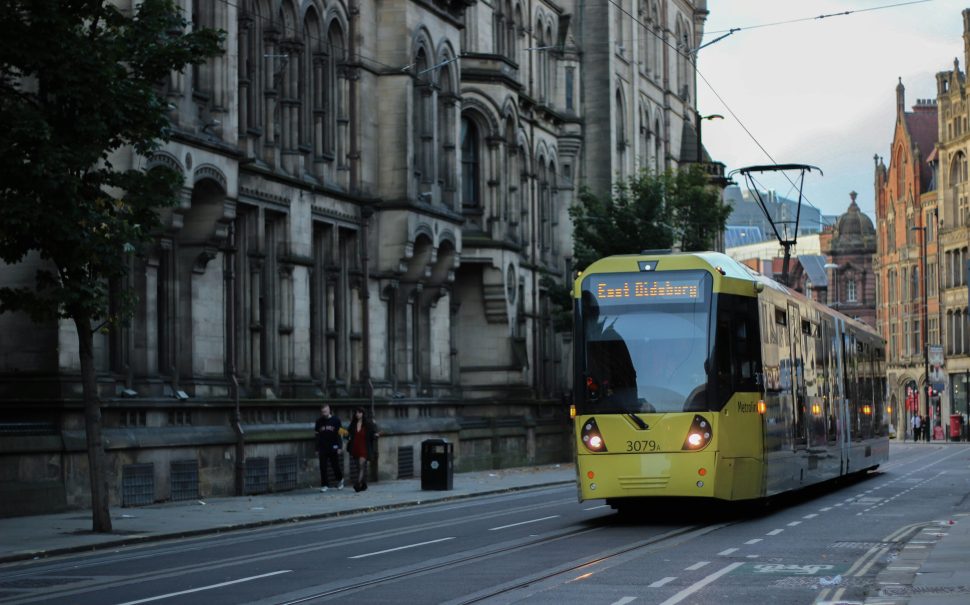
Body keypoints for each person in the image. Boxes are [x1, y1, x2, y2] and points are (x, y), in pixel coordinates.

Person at [346, 407, 380, 492]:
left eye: (359, 412)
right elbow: (348, 434)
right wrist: (341, 432)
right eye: (356, 412)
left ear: (363, 413)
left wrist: (375, 435)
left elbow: (373, 433)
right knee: (358, 467)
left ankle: (357, 484)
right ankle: (364, 485)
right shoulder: (353, 424)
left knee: (361, 466)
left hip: (364, 448)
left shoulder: (368, 423)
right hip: (355, 448)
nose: (357, 414)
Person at [314, 404, 344, 492]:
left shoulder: (336, 420)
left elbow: (340, 434)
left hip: (333, 446)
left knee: (335, 465)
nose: (324, 413)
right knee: (322, 466)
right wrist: (316, 448)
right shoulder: (319, 421)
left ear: (329, 410)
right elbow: (317, 436)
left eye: (325, 411)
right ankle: (324, 484)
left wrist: (340, 446)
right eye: (322, 412)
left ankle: (340, 480)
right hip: (323, 447)